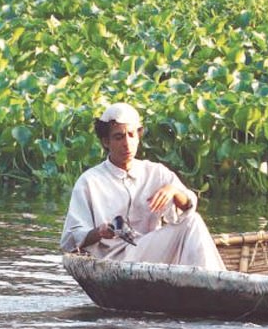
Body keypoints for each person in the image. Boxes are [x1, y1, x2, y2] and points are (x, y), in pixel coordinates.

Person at [60, 102, 225, 270]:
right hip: (112, 261)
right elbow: (70, 240)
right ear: (105, 142)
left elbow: (189, 206)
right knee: (192, 223)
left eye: (131, 135)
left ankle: (210, 282)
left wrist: (173, 191)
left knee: (193, 220)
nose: (127, 143)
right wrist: (99, 232)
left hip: (149, 252)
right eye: (118, 137)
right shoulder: (89, 181)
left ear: (138, 137)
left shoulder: (156, 172)